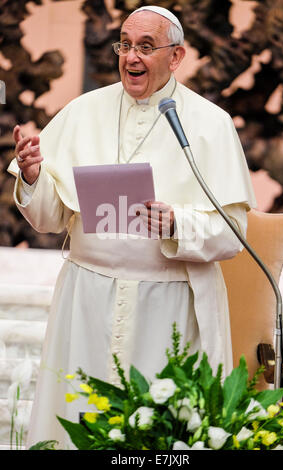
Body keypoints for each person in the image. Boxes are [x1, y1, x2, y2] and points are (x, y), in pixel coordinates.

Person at [8, 6, 256, 449]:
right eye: (125, 45)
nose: (132, 57)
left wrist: (178, 222)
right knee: (75, 416)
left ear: (176, 57)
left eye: (146, 47)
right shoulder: (83, 111)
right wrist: (32, 176)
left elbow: (234, 232)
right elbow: (49, 220)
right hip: (87, 301)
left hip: (168, 307)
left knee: (157, 435)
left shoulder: (210, 124)